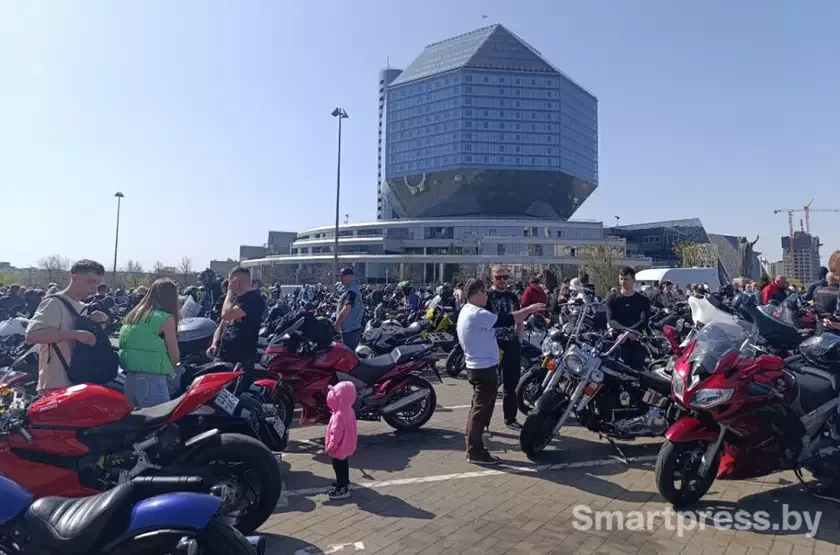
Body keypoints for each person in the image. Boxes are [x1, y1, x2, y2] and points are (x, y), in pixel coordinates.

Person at [457, 278, 545, 464]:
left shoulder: (467, 310)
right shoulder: (477, 313)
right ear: (478, 293)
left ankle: (474, 445)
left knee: (478, 409)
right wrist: (528, 310)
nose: (487, 296)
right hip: (483, 369)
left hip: (479, 367)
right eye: (485, 293)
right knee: (480, 412)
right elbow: (507, 319)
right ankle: (475, 451)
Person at [24, 260, 108, 393]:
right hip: (55, 384)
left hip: (79, 380)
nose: (94, 289)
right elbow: (32, 335)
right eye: (90, 282)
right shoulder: (54, 303)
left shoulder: (83, 307)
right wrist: (75, 334)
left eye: (97, 284)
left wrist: (94, 322)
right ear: (74, 277)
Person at [118, 279, 181, 408]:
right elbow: (175, 357)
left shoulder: (133, 315)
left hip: (130, 380)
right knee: (160, 419)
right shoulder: (165, 319)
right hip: (152, 382)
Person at [208, 266, 266, 388]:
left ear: (236, 280)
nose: (229, 283)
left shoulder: (253, 299)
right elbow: (222, 325)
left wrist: (229, 292)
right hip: (224, 357)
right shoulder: (235, 299)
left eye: (230, 280)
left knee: (238, 393)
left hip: (242, 359)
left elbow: (226, 315)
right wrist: (214, 343)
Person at [486, 265, 525, 430]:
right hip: (492, 344)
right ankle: (483, 421)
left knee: (511, 384)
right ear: (492, 278)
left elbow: (520, 319)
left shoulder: (512, 296)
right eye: (498, 277)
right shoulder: (487, 296)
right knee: (488, 385)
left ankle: (510, 419)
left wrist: (519, 340)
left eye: (505, 277)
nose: (502, 280)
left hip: (511, 344)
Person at [605, 267, 651, 371]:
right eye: (621, 279)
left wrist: (629, 333)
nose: (623, 282)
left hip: (637, 339)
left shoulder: (643, 300)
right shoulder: (612, 299)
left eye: (626, 279)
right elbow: (611, 320)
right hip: (618, 340)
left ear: (633, 280)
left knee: (637, 371)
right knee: (619, 371)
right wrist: (625, 332)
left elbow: (644, 321)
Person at [324, 381, 358, 499]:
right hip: (347, 445)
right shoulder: (349, 410)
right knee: (344, 464)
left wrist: (330, 447)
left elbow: (336, 434)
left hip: (339, 447)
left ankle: (342, 488)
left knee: (338, 466)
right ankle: (345, 481)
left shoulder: (338, 416)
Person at [333, 267, 364, 350]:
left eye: (342, 275)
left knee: (348, 354)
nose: (340, 278)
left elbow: (347, 308)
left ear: (350, 276)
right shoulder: (349, 289)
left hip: (350, 330)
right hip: (349, 329)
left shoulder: (352, 291)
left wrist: (337, 324)